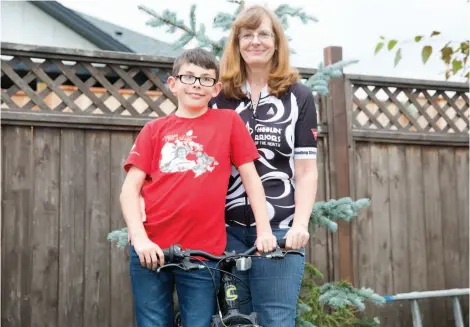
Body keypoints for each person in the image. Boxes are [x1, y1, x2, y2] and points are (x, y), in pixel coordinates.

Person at [120, 48, 277, 327]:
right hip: (152, 249)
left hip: (204, 254)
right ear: (173, 84)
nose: (196, 84)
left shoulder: (228, 123)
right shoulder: (154, 130)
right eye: (189, 77)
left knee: (199, 323)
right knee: (153, 322)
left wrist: (264, 230)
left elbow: (251, 179)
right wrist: (140, 238)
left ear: (216, 89)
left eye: (205, 79)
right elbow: (129, 191)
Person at [208, 5, 319, 327]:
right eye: (247, 35)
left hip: (282, 227)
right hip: (223, 231)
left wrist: (300, 224)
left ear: (276, 42)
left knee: (276, 319)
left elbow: (306, 169)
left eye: (263, 34)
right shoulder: (219, 96)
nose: (255, 41)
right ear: (237, 43)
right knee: (233, 321)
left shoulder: (298, 96)